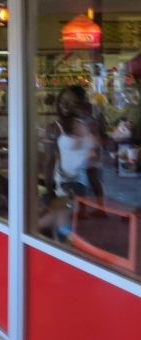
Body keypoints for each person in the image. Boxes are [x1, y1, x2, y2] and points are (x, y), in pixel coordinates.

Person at [40, 86, 104, 239]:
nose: (65, 104)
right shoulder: (55, 127)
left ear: (80, 103)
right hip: (67, 186)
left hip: (77, 186)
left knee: (49, 227)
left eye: (71, 101)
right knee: (50, 227)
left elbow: (95, 146)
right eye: (63, 100)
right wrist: (50, 190)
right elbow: (49, 161)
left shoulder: (86, 123)